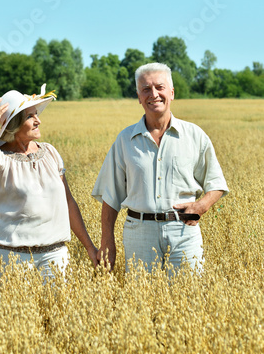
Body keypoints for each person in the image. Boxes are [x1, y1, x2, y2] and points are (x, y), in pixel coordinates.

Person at [92, 63, 229, 274]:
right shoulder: (125, 140)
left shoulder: (194, 135)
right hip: (138, 233)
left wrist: (201, 206)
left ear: (172, 93)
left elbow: (216, 183)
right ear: (139, 96)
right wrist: (107, 239)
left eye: (160, 87)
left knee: (189, 299)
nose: (153, 94)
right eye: (146, 89)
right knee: (141, 302)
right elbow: (111, 195)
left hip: (184, 232)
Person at [0, 84, 98, 279]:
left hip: (54, 254)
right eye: (30, 116)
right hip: (10, 257)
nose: (38, 121)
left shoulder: (50, 152)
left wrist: (89, 247)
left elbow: (68, 202)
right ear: (14, 124)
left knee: (57, 309)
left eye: (36, 114)